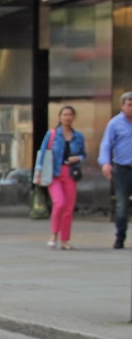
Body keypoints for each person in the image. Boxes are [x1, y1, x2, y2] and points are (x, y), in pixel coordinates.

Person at [34, 105, 86, 250]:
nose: (67, 117)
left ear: (73, 117)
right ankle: (54, 234)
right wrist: (38, 172)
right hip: (54, 174)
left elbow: (83, 154)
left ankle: (65, 240)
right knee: (59, 203)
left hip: (70, 173)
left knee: (68, 208)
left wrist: (78, 158)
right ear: (60, 117)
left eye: (70, 115)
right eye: (64, 114)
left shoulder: (78, 136)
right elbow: (43, 153)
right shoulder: (52, 135)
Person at [98, 91, 132, 249]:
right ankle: (120, 237)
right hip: (122, 169)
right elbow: (106, 144)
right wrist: (105, 163)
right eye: (130, 105)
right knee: (122, 204)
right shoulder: (114, 123)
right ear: (123, 106)